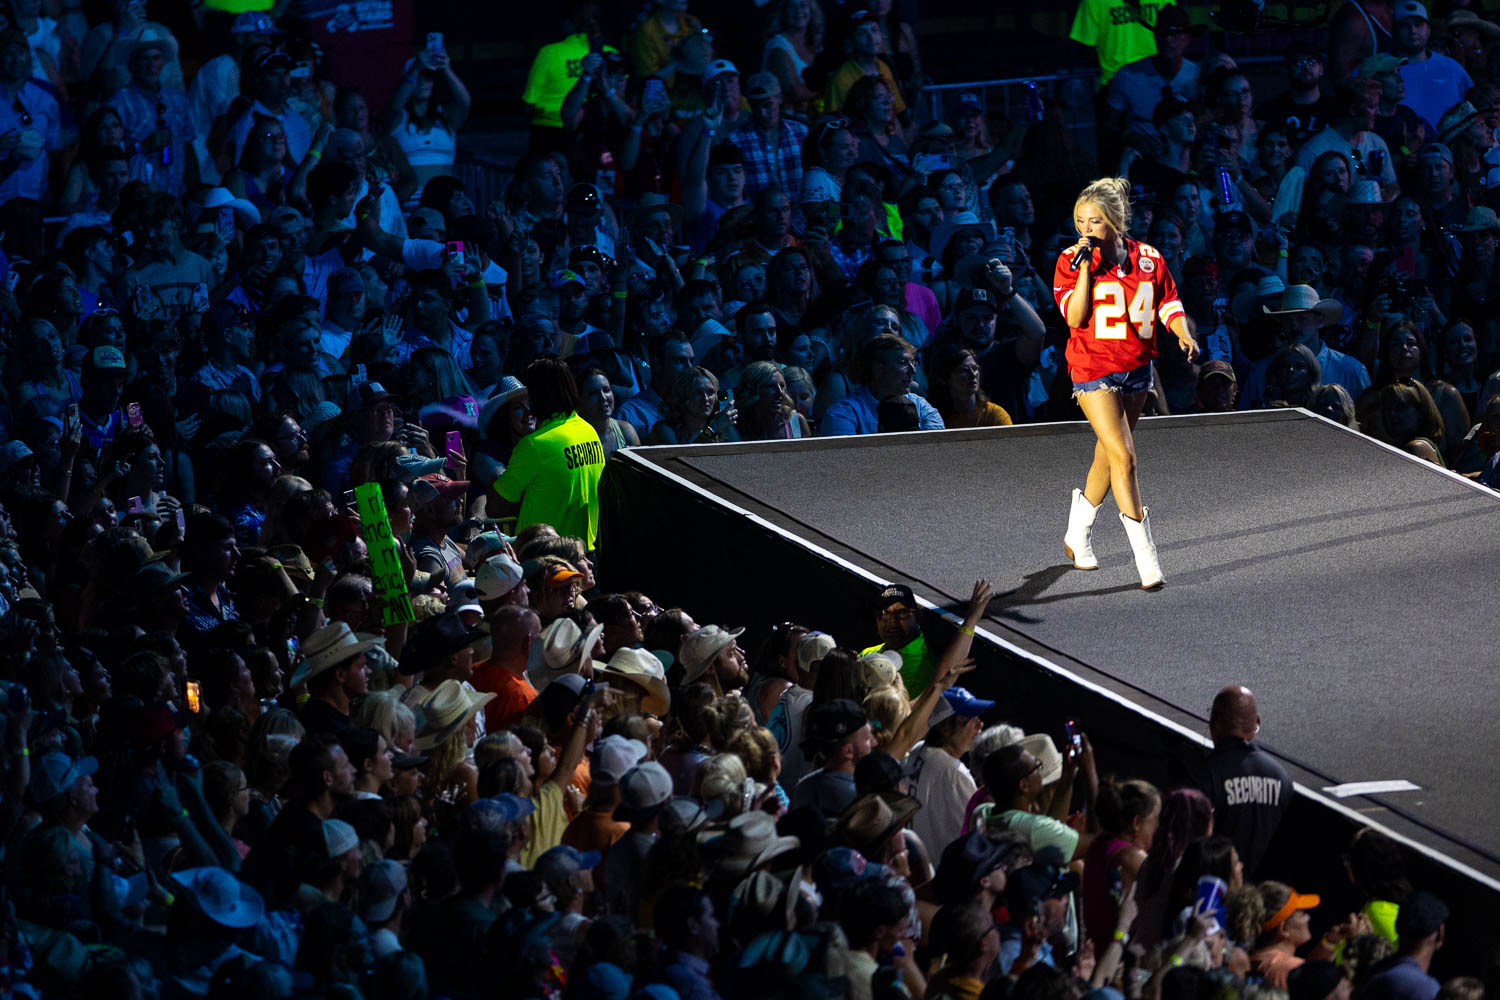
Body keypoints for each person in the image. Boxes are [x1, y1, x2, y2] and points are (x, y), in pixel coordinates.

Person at [1054, 177, 1197, 589]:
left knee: (1108, 455)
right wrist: (1083, 271)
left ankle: (1077, 534)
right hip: (1093, 368)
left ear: (1115, 223)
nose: (1085, 230)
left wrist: (1182, 333)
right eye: (1080, 221)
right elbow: (1076, 318)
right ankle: (1146, 559)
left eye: (1094, 222)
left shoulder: (1149, 259)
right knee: (1126, 457)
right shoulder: (1069, 260)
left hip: (1136, 369)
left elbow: (1168, 302)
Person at [491, 359, 605, 550]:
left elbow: (495, 507)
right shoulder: (588, 431)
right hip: (586, 555)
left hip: (546, 558)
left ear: (536, 395)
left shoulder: (535, 445)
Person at [1190, 684, 1292, 875]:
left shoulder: (1205, 775)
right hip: (1265, 894)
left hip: (1220, 891)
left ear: (1213, 720)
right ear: (1256, 723)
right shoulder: (1281, 776)